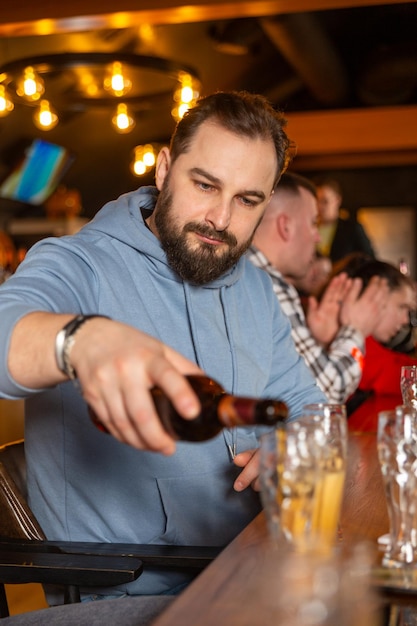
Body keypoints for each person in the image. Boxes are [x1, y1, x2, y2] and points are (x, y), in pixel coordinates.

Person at [0, 91, 326, 604]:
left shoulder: (256, 288)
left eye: (247, 199)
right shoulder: (76, 263)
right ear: (164, 168)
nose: (220, 217)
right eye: (205, 184)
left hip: (252, 568)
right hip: (137, 594)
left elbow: (309, 407)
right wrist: (80, 340)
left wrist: (290, 449)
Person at [248, 171, 389, 404]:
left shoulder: (252, 271)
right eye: (314, 223)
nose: (317, 238)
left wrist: (323, 341)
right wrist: (355, 328)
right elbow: (322, 394)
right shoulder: (267, 283)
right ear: (286, 226)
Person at [330, 254, 417, 407]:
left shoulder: (364, 340)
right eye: (401, 307)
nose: (405, 320)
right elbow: (398, 377)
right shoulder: (347, 338)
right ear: (376, 297)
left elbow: (398, 362)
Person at [315, 177, 375, 264]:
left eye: (325, 201)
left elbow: (370, 260)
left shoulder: (352, 229)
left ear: (337, 200)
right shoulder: (308, 228)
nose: (320, 206)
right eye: (317, 201)